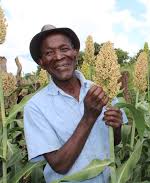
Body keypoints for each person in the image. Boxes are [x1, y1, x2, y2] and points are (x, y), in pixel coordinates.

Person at [24, 24, 127, 183]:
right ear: (41, 62)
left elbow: (114, 142)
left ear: (75, 52)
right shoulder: (35, 107)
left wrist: (117, 127)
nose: (58, 57)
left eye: (64, 49)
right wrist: (88, 117)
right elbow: (59, 165)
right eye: (49, 53)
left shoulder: (103, 90)